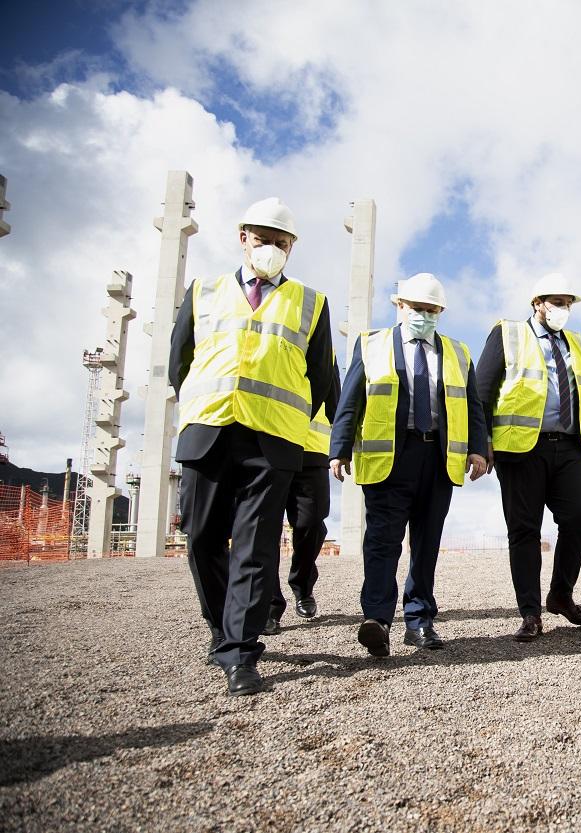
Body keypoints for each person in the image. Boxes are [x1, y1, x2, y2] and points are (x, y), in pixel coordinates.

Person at [170, 197, 335, 696]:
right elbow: (181, 362)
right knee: (201, 538)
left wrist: (287, 423)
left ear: (292, 249)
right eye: (263, 238)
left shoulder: (311, 302)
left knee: (256, 548)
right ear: (243, 237)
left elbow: (321, 376)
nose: (272, 248)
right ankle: (222, 630)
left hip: (272, 442)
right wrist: (203, 405)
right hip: (209, 431)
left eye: (282, 242)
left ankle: (241, 653)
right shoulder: (204, 291)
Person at [329, 273, 488, 657]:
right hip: (389, 459)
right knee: (382, 541)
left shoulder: (457, 352)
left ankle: (419, 620)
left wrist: (479, 449)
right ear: (399, 306)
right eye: (417, 308)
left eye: (432, 310)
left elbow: (472, 405)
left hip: (438, 458)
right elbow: (351, 399)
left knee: (426, 543)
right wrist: (340, 447)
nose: (424, 315)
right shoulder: (371, 345)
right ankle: (378, 620)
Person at [476, 273, 581, 642]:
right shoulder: (507, 333)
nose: (563, 309)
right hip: (519, 448)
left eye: (568, 303)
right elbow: (482, 389)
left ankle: (560, 594)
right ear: (537, 303)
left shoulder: (575, 343)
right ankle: (530, 613)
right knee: (524, 530)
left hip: (570, 446)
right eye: (557, 302)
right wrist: (482, 443)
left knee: (580, 517)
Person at [264, 390, 339, 636]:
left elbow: (336, 401)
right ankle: (268, 605)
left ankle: (303, 586)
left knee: (312, 523)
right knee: (264, 528)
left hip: (312, 448)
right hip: (268, 443)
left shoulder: (324, 351)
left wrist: (340, 445)